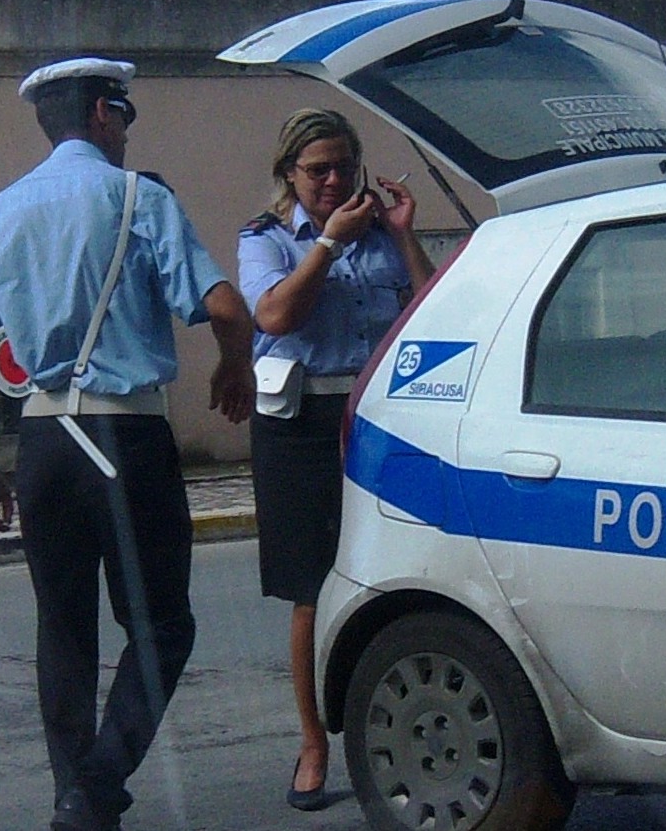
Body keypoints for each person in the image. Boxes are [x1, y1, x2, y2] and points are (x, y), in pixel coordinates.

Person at [0, 57, 255, 831]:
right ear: (103, 115)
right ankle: (98, 782)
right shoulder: (139, 198)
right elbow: (225, 305)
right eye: (126, 114)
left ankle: (74, 801)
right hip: (127, 434)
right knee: (163, 625)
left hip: (45, 440)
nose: (127, 129)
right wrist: (234, 366)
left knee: (64, 627)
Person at [237, 108, 433, 811]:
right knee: (312, 589)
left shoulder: (380, 236)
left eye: (343, 167)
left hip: (376, 417)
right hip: (297, 424)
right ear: (288, 172)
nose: (331, 180)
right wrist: (325, 244)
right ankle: (314, 741)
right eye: (317, 169)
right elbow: (275, 316)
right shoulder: (265, 239)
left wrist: (404, 236)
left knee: (402, 572)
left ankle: (394, 728)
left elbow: (435, 308)